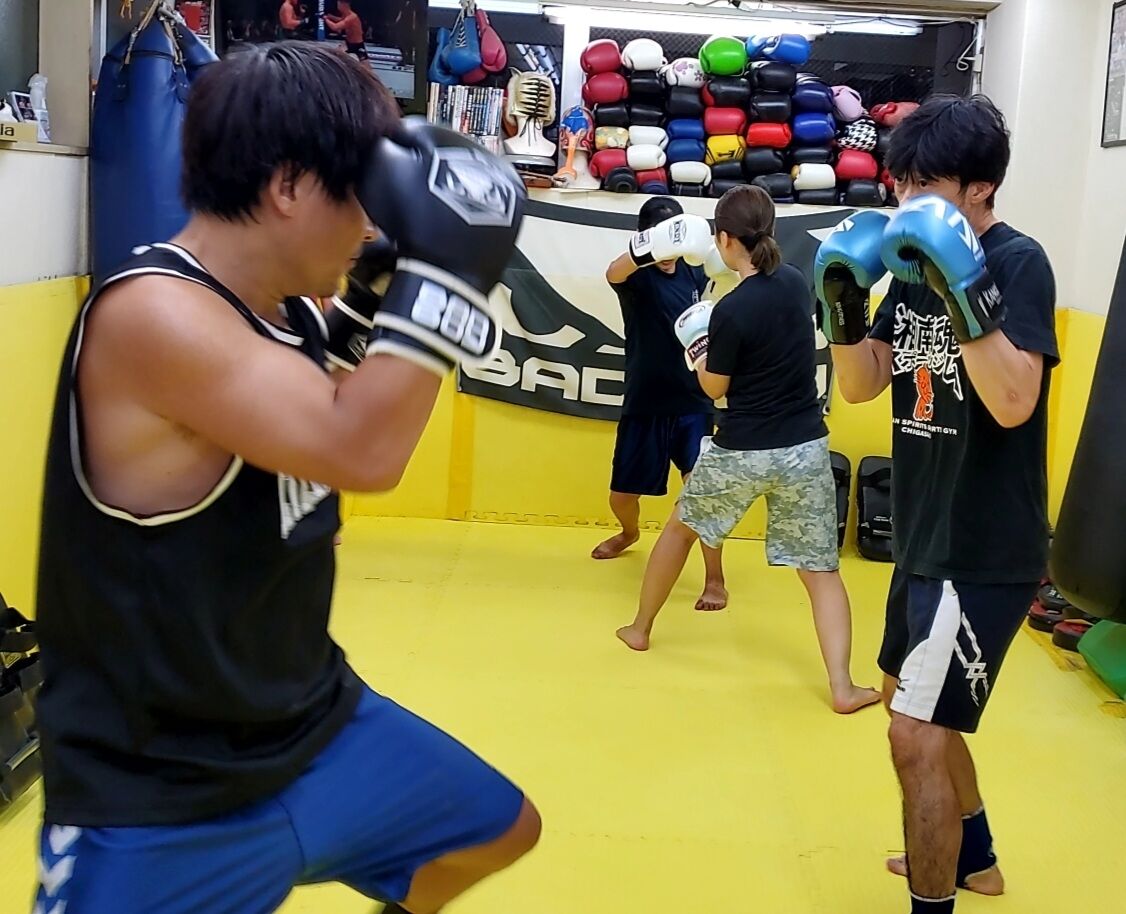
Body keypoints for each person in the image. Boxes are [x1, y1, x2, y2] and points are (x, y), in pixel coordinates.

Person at [31, 43, 539, 914]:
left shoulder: (290, 313)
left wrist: (369, 307)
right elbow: (360, 452)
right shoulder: (152, 313)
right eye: (362, 198)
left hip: (313, 728)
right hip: (158, 792)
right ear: (291, 186)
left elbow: (306, 413)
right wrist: (447, 273)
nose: (372, 227)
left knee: (497, 828)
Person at [816, 94, 1058, 914]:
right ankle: (976, 857)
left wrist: (964, 286)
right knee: (909, 703)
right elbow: (860, 386)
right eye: (900, 184)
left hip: (982, 542)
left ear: (978, 188)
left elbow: (1014, 402)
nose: (906, 201)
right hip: (924, 532)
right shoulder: (911, 269)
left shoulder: (1018, 264)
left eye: (925, 185)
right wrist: (842, 301)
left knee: (913, 733)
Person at [615, 185, 881, 716]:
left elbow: (715, 388)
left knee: (679, 531)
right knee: (821, 571)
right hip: (804, 447)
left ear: (724, 239)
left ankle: (640, 629)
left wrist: (699, 349)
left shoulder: (730, 310)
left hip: (741, 449)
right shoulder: (796, 282)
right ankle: (842, 686)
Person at [594, 196, 728, 613]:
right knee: (621, 496)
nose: (670, 254)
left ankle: (715, 579)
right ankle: (629, 533)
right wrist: (650, 249)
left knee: (701, 492)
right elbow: (612, 272)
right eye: (663, 242)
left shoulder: (693, 269)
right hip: (645, 400)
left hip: (693, 401)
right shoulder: (636, 277)